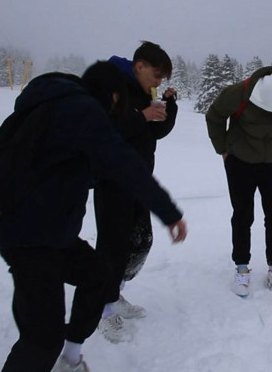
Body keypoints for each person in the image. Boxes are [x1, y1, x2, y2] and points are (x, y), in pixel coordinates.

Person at [0, 64, 186, 372]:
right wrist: (170, 212)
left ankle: (70, 358)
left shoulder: (59, 111)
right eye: (119, 101)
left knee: (97, 274)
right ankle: (55, 354)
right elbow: (125, 164)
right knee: (42, 338)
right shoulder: (80, 111)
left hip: (56, 235)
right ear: (111, 95)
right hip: (30, 239)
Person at [93, 42, 179, 342]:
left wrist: (170, 107)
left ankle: (114, 294)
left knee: (139, 242)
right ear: (139, 66)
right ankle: (102, 310)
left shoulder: (143, 92)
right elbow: (104, 129)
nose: (158, 83)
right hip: (111, 180)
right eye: (157, 76)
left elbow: (153, 131)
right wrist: (141, 115)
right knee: (112, 246)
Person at [205, 66, 272, 296]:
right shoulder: (239, 93)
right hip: (240, 160)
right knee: (242, 214)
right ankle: (242, 267)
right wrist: (223, 149)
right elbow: (215, 115)